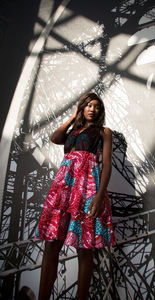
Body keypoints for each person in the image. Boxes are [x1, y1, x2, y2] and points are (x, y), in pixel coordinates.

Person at [35, 92, 115, 300]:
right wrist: (72, 117)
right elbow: (55, 138)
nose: (92, 109)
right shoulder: (73, 130)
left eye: (96, 106)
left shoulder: (104, 132)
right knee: (52, 243)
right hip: (64, 185)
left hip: (87, 187)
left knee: (84, 246)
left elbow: (106, 164)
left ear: (100, 110)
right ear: (82, 108)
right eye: (88, 105)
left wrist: (98, 197)